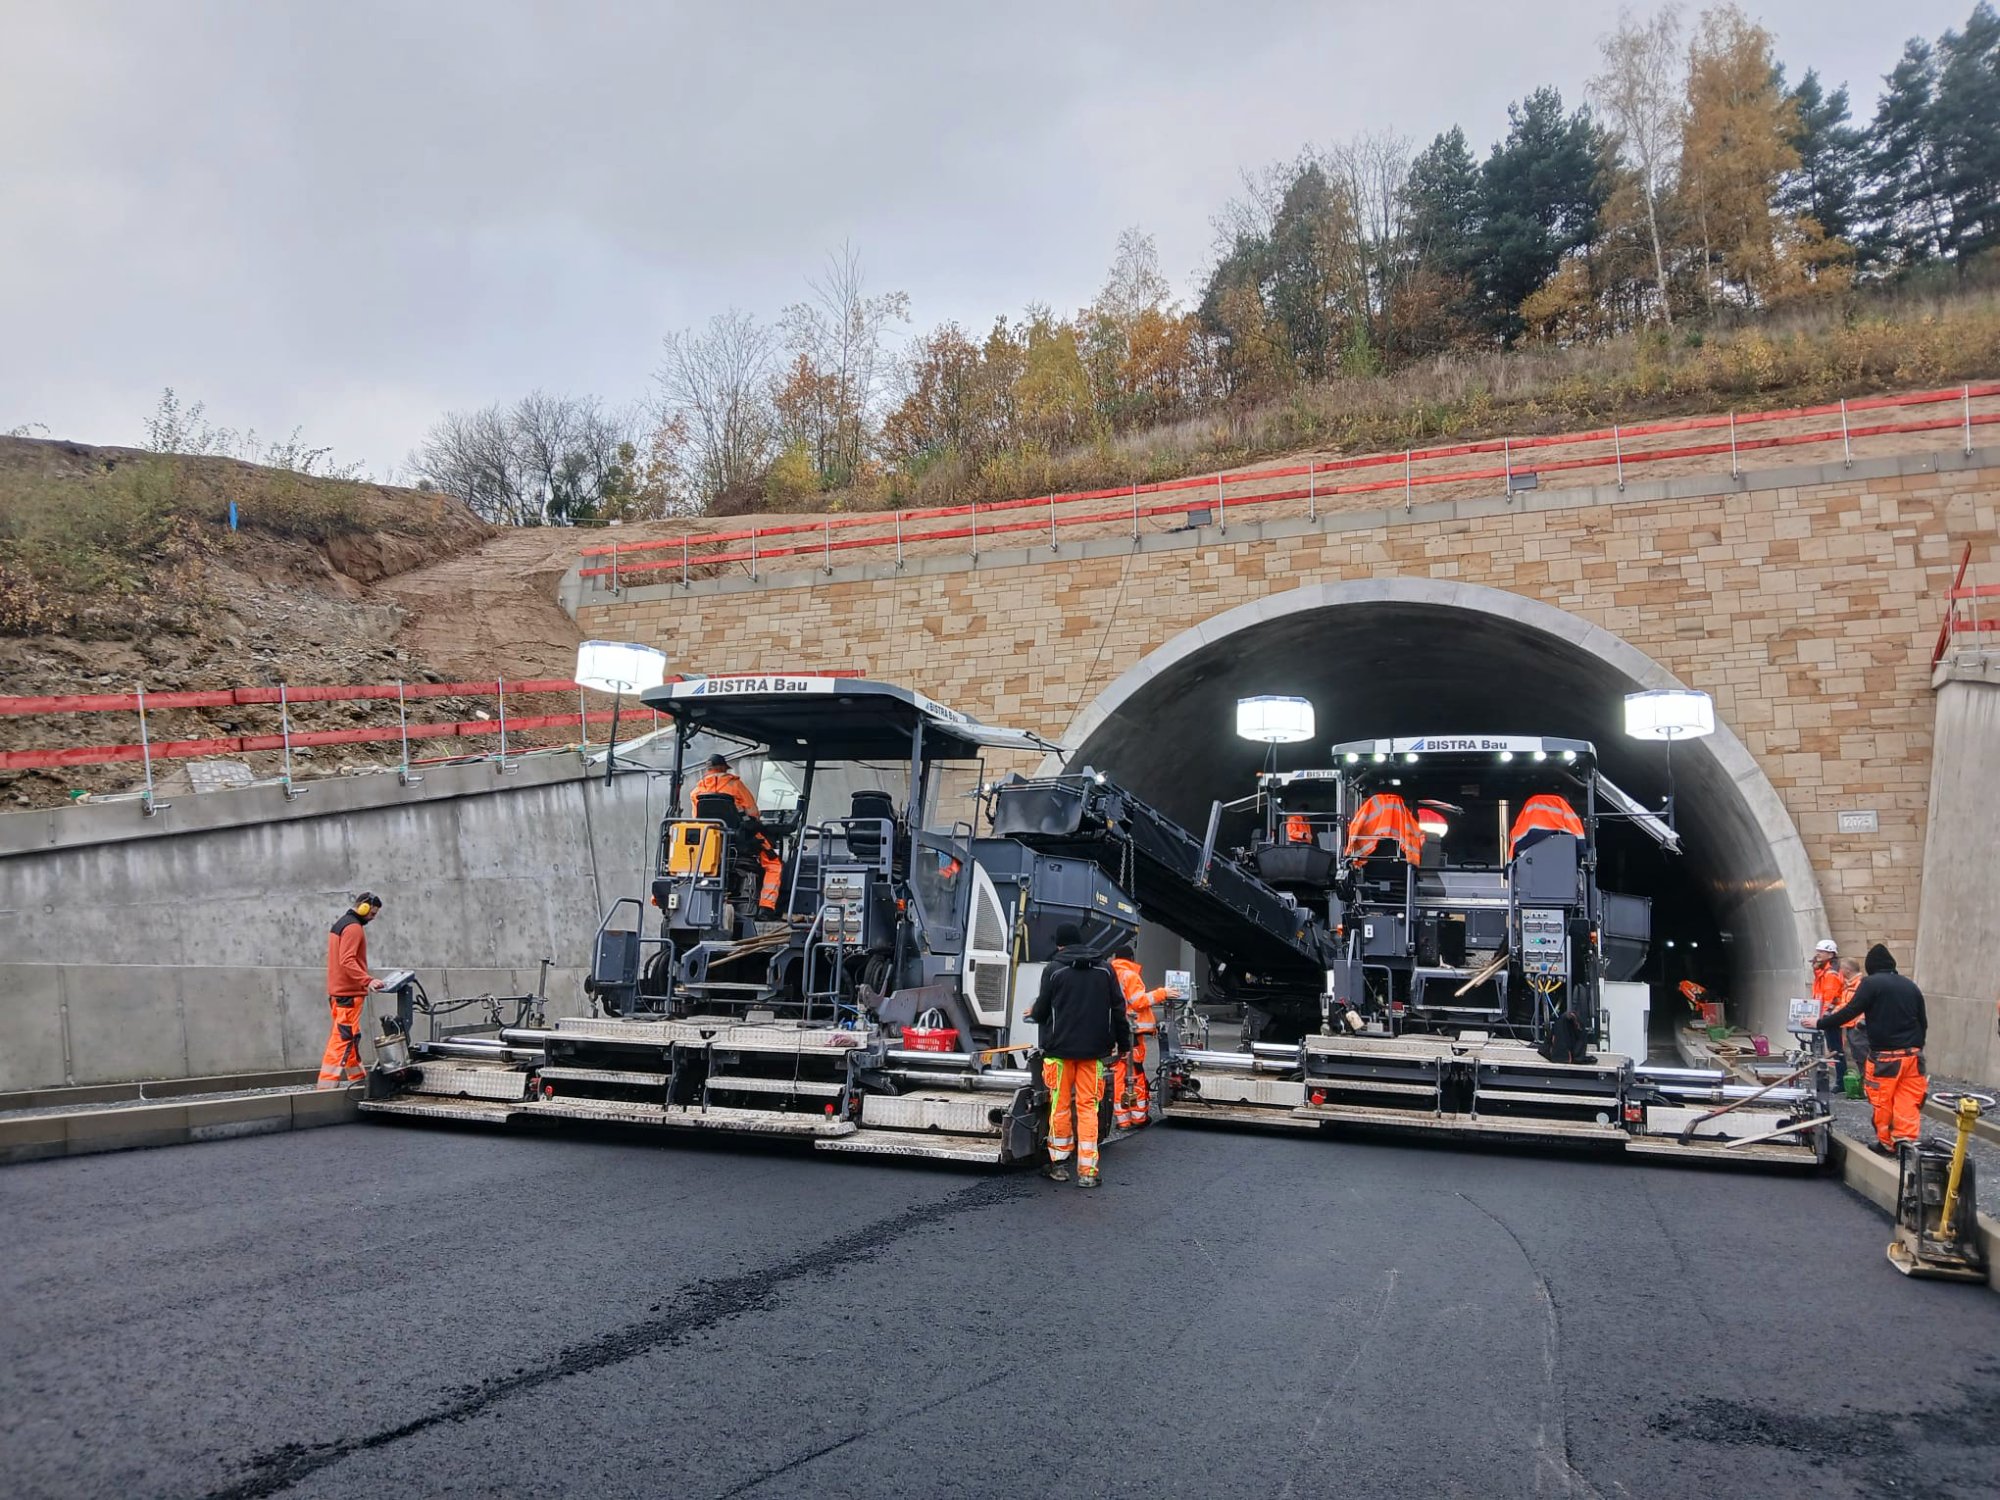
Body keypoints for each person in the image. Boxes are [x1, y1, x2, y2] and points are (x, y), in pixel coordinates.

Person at [1027, 923, 1131, 1188]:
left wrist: (1033, 1013)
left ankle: (1059, 1166)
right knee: (1088, 1107)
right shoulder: (1105, 969)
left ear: (1059, 944)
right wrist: (1124, 1044)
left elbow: (1042, 1009)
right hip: (1094, 1053)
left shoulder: (1054, 969)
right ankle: (1088, 1172)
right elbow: (1118, 1009)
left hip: (1059, 1052)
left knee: (1060, 1106)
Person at [1817, 944, 1928, 1155]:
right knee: (1908, 1100)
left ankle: (1886, 1144)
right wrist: (1918, 1047)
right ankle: (1904, 1141)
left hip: (1886, 1057)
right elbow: (1922, 1021)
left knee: (1882, 1101)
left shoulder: (1871, 984)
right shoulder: (1910, 985)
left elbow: (1850, 1011)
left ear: (1871, 967)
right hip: (1913, 1056)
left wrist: (1820, 1023)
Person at [691, 753, 782, 914]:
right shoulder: (735, 785)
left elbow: (696, 819)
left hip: (710, 843)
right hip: (739, 840)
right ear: (723, 767)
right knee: (774, 863)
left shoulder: (696, 791)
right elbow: (753, 813)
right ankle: (766, 907)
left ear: (708, 770)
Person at [321, 893, 384, 1089]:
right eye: (372, 913)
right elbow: (347, 960)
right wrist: (368, 980)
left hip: (339, 994)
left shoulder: (340, 925)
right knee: (342, 1039)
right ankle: (325, 1087)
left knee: (350, 1037)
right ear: (363, 907)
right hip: (348, 995)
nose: (373, 918)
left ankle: (357, 1080)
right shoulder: (353, 928)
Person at [1108, 942, 1168, 1130]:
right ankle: (1138, 1117)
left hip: (1114, 1033)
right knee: (1135, 1074)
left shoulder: (1108, 974)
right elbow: (1139, 1001)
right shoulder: (1130, 975)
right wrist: (1162, 993)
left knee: (1118, 1076)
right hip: (1132, 1032)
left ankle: (1123, 1120)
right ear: (1131, 959)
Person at [1809, 938, 1847, 1088]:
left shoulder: (1831, 974)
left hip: (1830, 1017)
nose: (1818, 954)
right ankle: (1839, 1080)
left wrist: (1823, 1018)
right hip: (1826, 1016)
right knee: (1833, 1048)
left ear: (1830, 954)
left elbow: (1830, 997)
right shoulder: (1824, 972)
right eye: (1818, 951)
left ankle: (1841, 1082)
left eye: (1821, 951)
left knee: (1835, 1049)